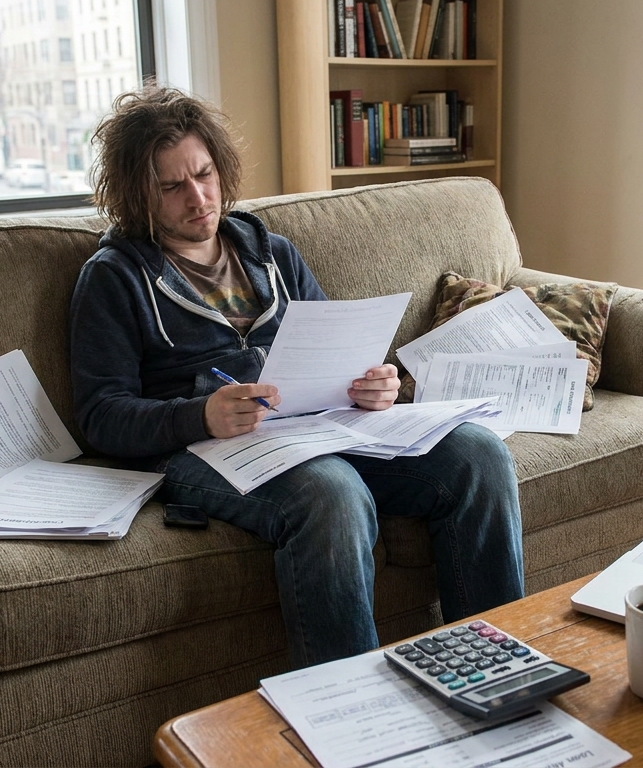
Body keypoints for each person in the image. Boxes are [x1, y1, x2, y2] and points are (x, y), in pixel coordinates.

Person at [70, 85, 524, 668]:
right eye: (171, 186)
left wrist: (372, 385)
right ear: (140, 195)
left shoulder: (273, 253)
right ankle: (348, 711)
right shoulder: (113, 277)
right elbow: (100, 415)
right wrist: (199, 413)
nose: (198, 197)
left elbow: (335, 349)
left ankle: (495, 667)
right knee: (331, 493)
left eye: (205, 174)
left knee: (478, 455)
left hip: (317, 428)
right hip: (203, 450)